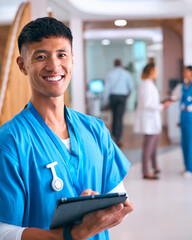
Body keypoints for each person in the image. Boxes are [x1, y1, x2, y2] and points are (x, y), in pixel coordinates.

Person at [0, 17, 133, 240]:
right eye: (40, 56)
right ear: (22, 65)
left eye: (62, 55)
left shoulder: (95, 130)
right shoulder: (10, 142)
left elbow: (119, 201)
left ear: (72, 59)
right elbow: (3, 231)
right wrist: (74, 233)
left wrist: (97, 208)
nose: (54, 66)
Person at [134, 63, 172, 180]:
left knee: (153, 145)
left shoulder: (147, 84)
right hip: (149, 120)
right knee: (148, 146)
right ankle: (146, 171)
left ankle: (155, 166)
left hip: (150, 119)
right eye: (156, 70)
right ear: (151, 71)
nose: (158, 72)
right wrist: (162, 106)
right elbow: (147, 104)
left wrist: (161, 103)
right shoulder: (146, 85)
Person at [104, 59, 134, 147]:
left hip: (113, 97)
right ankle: (118, 138)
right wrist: (127, 96)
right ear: (121, 64)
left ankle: (114, 136)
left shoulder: (110, 74)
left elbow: (107, 89)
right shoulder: (126, 74)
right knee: (119, 118)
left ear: (114, 64)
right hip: (122, 97)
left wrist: (106, 101)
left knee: (114, 116)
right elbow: (131, 87)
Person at [180, 65, 192, 178]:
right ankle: (186, 165)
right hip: (184, 117)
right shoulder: (184, 86)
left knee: (190, 142)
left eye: (186, 71)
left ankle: (190, 168)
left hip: (190, 117)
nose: (184, 73)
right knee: (184, 142)